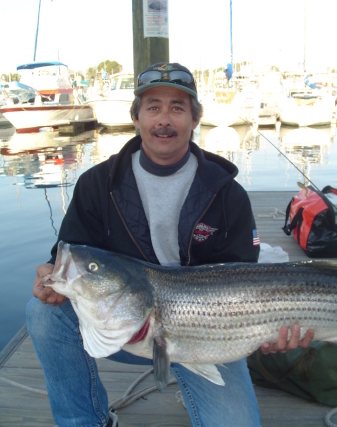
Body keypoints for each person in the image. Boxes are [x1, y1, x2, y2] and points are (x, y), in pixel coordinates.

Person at [26, 62, 314, 427]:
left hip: (212, 339)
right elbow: (69, 256)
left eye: (177, 108)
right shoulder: (97, 185)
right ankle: (85, 421)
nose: (164, 119)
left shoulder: (228, 195)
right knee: (44, 314)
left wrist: (271, 333)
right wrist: (50, 273)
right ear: (136, 118)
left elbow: (244, 277)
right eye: (153, 107)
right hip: (126, 327)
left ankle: (193, 378)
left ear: (194, 120)